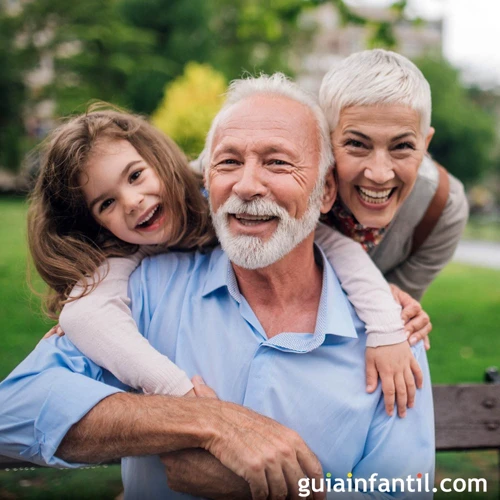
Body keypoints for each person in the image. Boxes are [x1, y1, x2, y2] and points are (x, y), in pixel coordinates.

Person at [0, 74, 434, 499]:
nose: (246, 186)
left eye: (277, 162)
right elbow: (14, 410)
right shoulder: (141, 292)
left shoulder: (391, 340)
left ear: (324, 193)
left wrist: (267, 491)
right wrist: (205, 422)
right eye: (228, 162)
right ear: (207, 181)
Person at [32, 107, 424, 418]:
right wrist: (178, 392)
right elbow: (85, 319)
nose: (131, 201)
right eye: (106, 203)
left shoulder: (220, 190)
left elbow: (331, 245)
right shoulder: (125, 253)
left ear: (159, 160)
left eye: (135, 175)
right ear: (96, 222)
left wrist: (386, 326)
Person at [318, 49, 469, 303]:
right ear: (325, 139)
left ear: (425, 143)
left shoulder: (442, 209)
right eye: (357, 143)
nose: (379, 174)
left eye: (402, 146)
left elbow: (391, 316)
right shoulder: (290, 191)